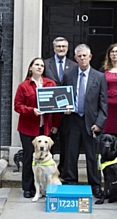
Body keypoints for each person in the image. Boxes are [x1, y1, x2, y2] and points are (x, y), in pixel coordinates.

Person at [62, 44, 108, 198]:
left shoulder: (99, 77)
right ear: (75, 58)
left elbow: (103, 104)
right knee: (71, 154)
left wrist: (99, 123)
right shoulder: (68, 75)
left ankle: (95, 185)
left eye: (85, 56)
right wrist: (64, 108)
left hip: (91, 122)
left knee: (92, 156)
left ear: (90, 57)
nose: (82, 58)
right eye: (79, 56)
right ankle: (70, 182)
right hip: (73, 119)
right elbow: (63, 96)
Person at [14, 57, 61, 198]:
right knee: (29, 157)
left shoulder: (50, 84)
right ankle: (28, 188)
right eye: (36, 65)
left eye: (41, 65)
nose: (40, 67)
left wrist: (55, 125)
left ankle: (46, 187)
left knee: (45, 158)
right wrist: (31, 110)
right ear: (31, 68)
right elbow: (17, 106)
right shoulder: (24, 86)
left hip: (45, 128)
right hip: (28, 128)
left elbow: (57, 106)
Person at [44, 37, 77, 178]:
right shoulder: (46, 64)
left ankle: (63, 171)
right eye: (58, 46)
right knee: (48, 141)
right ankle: (47, 170)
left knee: (66, 142)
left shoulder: (74, 65)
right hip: (50, 111)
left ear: (67, 48)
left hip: (67, 111)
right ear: (54, 48)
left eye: (63, 46)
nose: (61, 49)